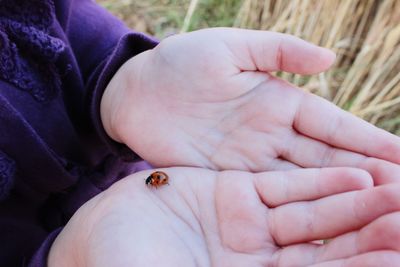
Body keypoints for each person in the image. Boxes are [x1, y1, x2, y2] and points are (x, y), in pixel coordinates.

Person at [0, 0, 398, 266]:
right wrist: (67, 256)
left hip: (157, 184)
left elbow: (56, 23)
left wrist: (121, 82)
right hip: (147, 227)